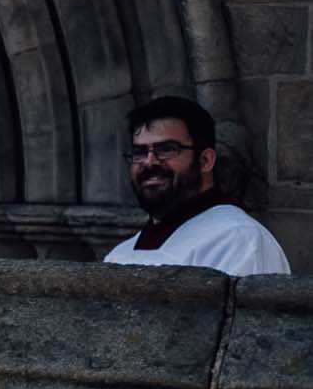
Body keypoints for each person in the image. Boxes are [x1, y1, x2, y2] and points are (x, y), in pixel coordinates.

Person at [103, 94, 291, 276]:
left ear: (205, 160)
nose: (150, 162)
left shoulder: (240, 240)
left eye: (167, 149)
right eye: (140, 152)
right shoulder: (119, 256)